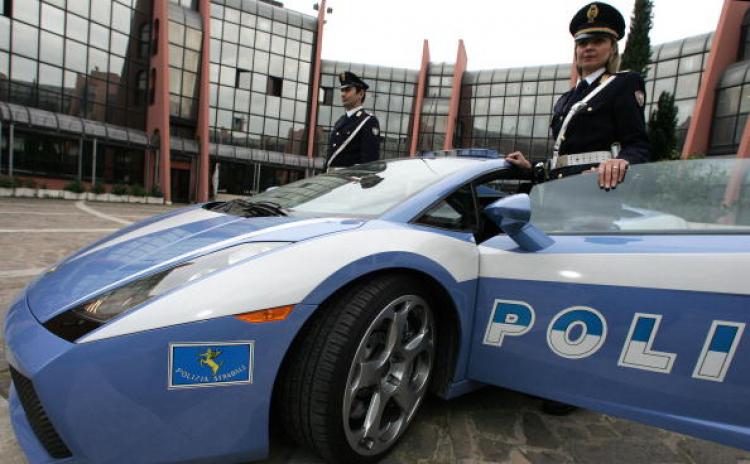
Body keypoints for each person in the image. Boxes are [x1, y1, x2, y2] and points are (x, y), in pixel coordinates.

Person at [506, 2, 651, 190]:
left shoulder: (623, 84)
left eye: (598, 41)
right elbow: (564, 162)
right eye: (582, 43)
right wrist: (531, 167)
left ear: (613, 48)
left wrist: (621, 161)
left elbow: (638, 145)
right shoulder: (565, 99)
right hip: (558, 196)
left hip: (597, 197)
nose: (588, 48)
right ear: (576, 50)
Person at [325, 71, 381, 170]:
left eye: (347, 90)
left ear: (360, 93)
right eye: (342, 90)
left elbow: (369, 162)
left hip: (350, 182)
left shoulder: (368, 121)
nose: (343, 94)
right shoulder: (340, 121)